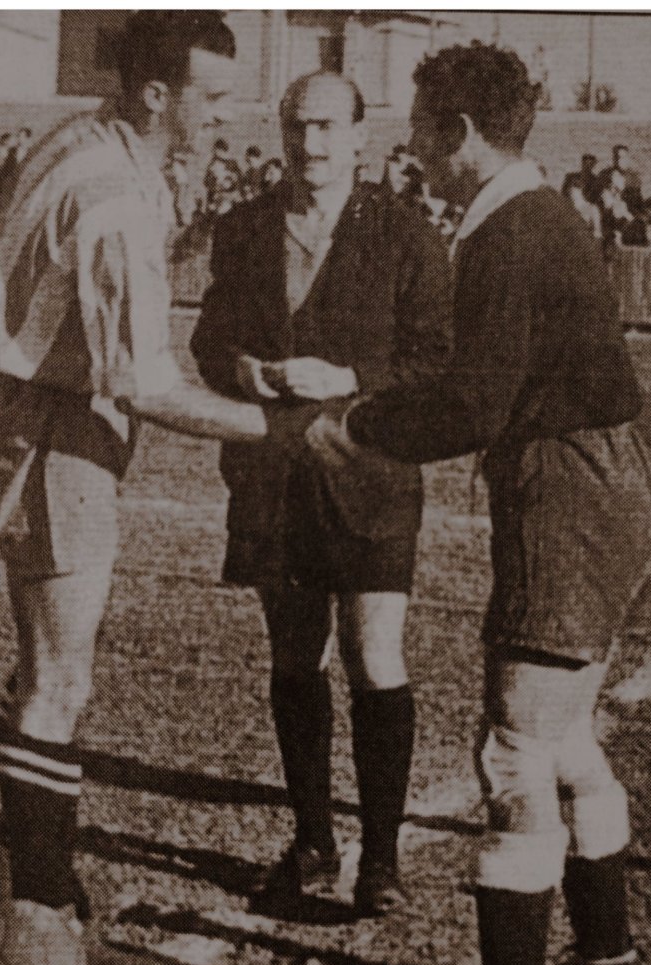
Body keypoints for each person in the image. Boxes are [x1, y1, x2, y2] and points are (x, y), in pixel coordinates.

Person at [307, 41, 651, 965]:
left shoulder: (507, 231)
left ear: (458, 131)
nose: (413, 151)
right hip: (601, 482)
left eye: (421, 131)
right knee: (564, 737)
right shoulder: (532, 216)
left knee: (514, 749)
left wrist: (357, 429)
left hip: (567, 494)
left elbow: (475, 404)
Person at [0, 11, 278, 965]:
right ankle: (41, 927)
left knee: (46, 665)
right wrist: (278, 430)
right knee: (60, 676)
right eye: (212, 99)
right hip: (56, 431)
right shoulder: (110, 198)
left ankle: (29, 892)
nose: (226, 117)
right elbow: (143, 381)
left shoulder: (87, 138)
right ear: (155, 95)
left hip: (35, 410)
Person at [191, 71, 453, 918]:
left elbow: (436, 360)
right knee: (294, 656)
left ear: (361, 135)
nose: (312, 144)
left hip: (371, 475)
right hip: (273, 475)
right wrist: (244, 370)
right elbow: (210, 339)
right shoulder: (244, 227)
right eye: (298, 126)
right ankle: (312, 843)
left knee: (374, 654)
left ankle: (381, 863)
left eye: (329, 127)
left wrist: (347, 377)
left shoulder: (405, 233)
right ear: (281, 131)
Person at [597, 144, 642, 216]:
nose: (619, 160)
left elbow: (638, 199)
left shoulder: (634, 177)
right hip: (611, 211)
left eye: (623, 158)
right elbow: (601, 196)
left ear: (628, 159)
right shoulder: (605, 174)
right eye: (617, 157)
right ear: (613, 159)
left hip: (630, 209)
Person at [204, 136, 242, 212]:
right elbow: (206, 181)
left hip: (228, 198)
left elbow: (239, 180)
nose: (214, 153)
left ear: (219, 150)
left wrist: (230, 182)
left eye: (215, 150)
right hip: (215, 198)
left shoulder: (233, 163)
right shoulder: (212, 163)